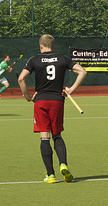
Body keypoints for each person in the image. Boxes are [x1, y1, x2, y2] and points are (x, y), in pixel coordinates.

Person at [18, 34, 87, 184]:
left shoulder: (34, 59)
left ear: (40, 46)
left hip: (41, 101)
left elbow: (21, 78)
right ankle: (63, 164)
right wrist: (71, 90)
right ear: (53, 46)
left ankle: (51, 175)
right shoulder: (62, 58)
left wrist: (28, 97)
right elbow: (82, 72)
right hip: (57, 101)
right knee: (57, 135)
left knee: (44, 137)